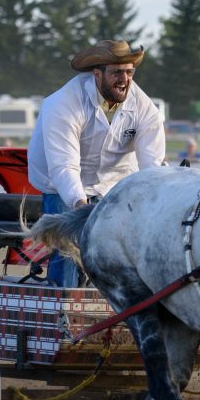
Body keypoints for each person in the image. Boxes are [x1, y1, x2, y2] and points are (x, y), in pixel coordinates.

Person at [27, 39, 165, 287]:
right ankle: (63, 307)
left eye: (129, 72)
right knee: (69, 244)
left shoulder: (145, 108)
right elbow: (64, 167)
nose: (124, 79)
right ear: (96, 74)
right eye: (116, 72)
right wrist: (81, 210)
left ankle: (117, 307)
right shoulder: (63, 104)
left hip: (113, 183)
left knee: (122, 247)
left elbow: (153, 166)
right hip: (59, 184)